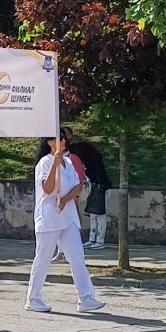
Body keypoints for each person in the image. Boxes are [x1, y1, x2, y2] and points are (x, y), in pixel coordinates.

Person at [27, 131, 104, 314]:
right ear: (50, 142)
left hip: (68, 217)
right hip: (49, 217)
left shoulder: (68, 162)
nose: (62, 141)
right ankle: (33, 298)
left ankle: (86, 297)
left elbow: (78, 186)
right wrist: (55, 162)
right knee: (43, 258)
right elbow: (47, 189)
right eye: (58, 138)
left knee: (77, 256)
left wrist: (66, 199)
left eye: (63, 138)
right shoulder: (45, 162)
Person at [69, 135, 112, 250]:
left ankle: (100, 240)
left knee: (99, 215)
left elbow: (98, 175)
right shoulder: (90, 159)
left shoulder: (94, 160)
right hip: (94, 188)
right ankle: (92, 238)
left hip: (100, 188)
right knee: (93, 215)